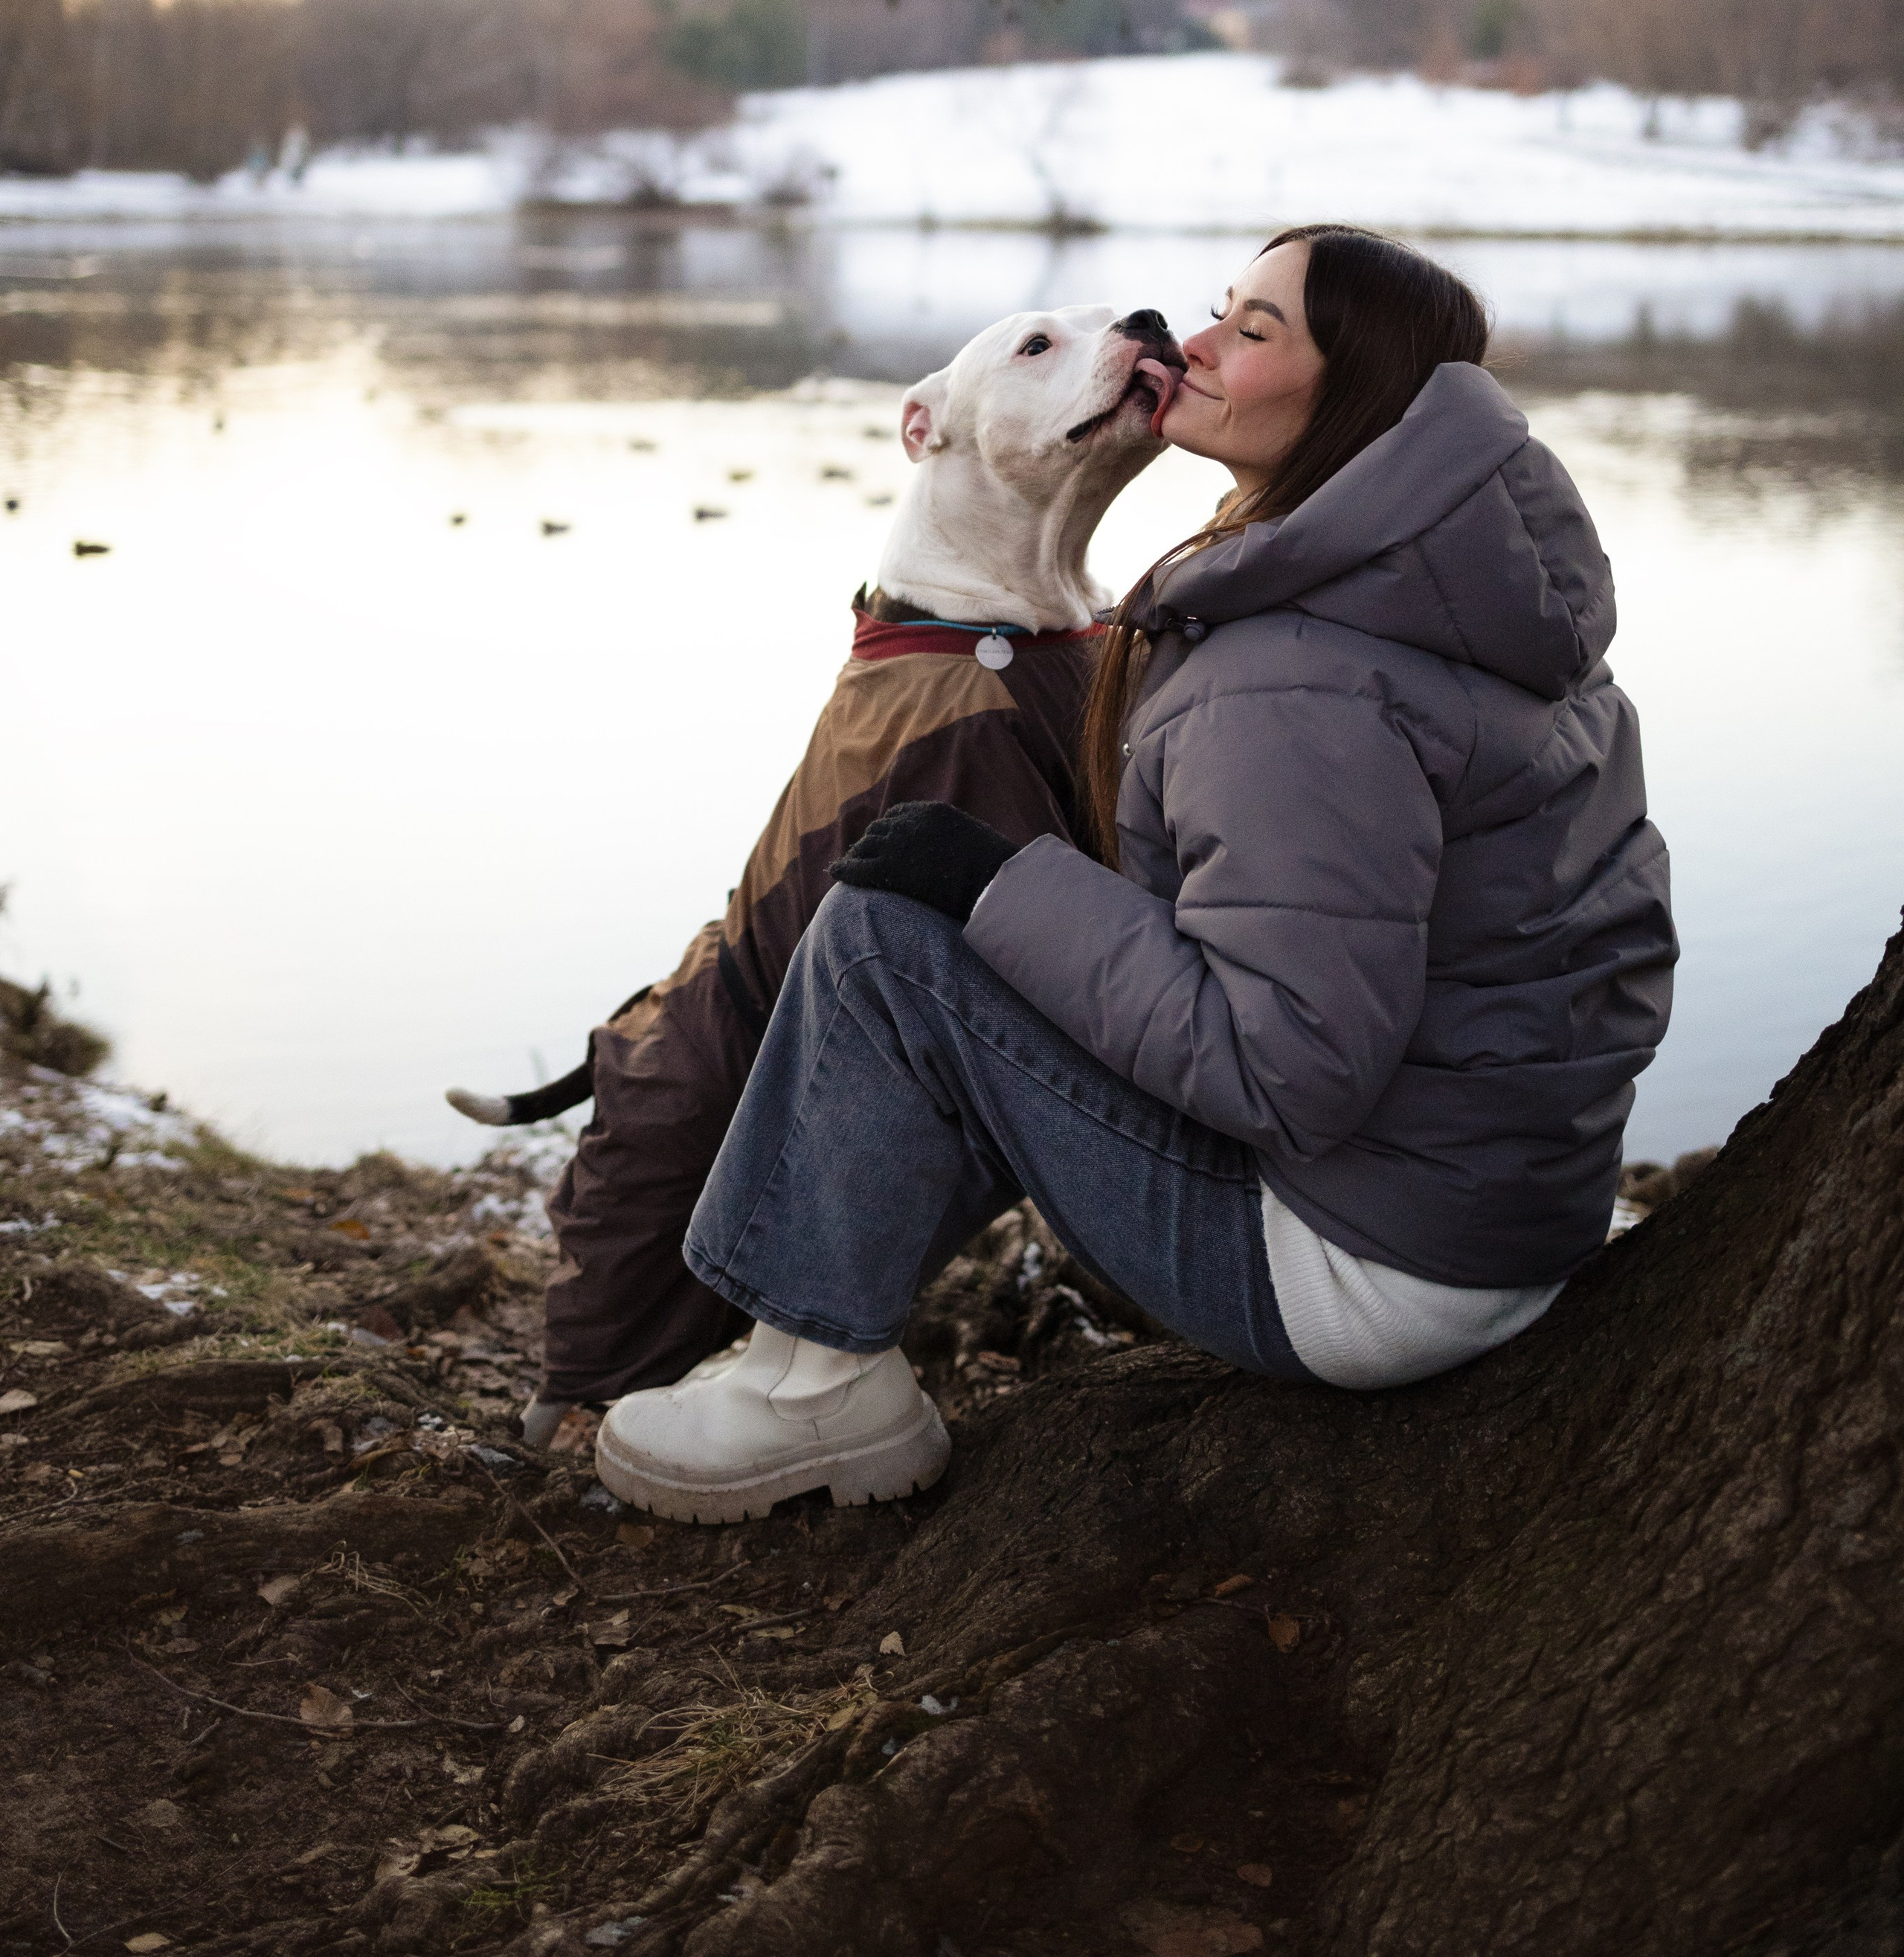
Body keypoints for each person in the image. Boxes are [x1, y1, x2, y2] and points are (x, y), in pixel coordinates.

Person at [594, 226, 1678, 1524]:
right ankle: (792, 1349)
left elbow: (1288, 1067)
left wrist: (1005, 891)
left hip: (1366, 1275)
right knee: (933, 906)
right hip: (1504, 1218)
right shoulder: (1457, 598)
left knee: (885, 933)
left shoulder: (1297, 673)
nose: (1201, 343)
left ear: (1356, 395)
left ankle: (811, 1389)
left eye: (1255, 330)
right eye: (1223, 310)